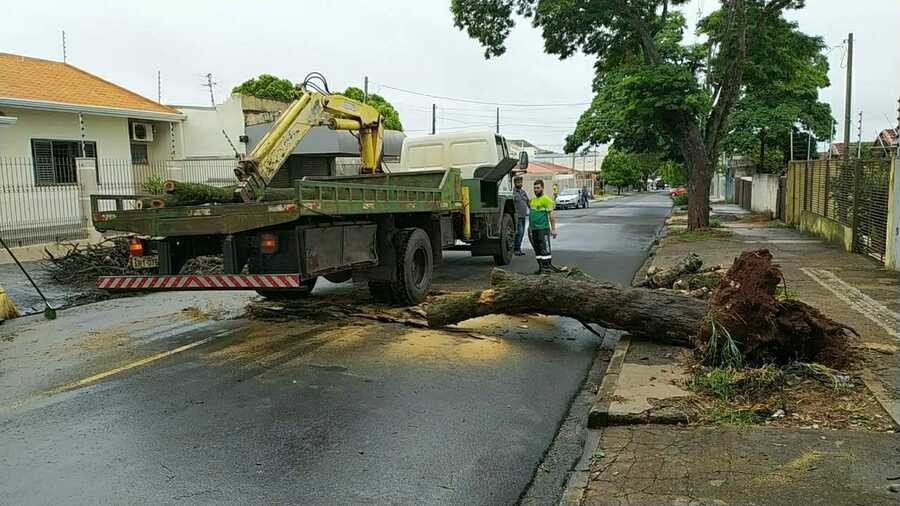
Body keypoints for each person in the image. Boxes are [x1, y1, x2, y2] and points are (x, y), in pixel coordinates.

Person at [528, 180, 567, 274]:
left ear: (542, 188)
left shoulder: (547, 200)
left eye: (538, 188)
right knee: (537, 250)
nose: (536, 190)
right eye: (534, 188)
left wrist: (553, 229)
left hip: (543, 228)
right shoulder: (533, 200)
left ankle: (546, 268)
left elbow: (551, 216)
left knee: (545, 249)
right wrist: (529, 228)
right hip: (534, 229)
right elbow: (532, 215)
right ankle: (541, 267)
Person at [512, 176, 529, 256]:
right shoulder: (513, 193)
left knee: (522, 233)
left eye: (520, 182)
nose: (519, 184)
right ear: (514, 183)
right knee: (519, 232)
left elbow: (528, 202)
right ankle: (516, 249)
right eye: (518, 182)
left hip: (523, 215)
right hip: (517, 216)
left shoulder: (523, 192)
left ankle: (518, 249)